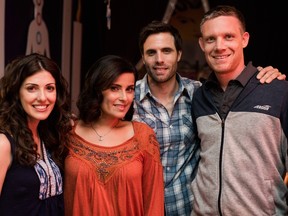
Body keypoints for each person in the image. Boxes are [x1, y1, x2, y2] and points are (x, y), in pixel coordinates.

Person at [133, 20, 286, 215]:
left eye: (167, 51)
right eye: (151, 52)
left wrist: (267, 76)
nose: (159, 59)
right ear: (143, 57)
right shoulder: (128, 98)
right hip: (142, 207)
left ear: (179, 54)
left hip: (187, 208)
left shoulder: (198, 93)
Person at [191, 5, 288, 215]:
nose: (219, 46)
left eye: (228, 36)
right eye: (210, 39)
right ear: (201, 44)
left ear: (244, 39)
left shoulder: (278, 91)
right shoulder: (198, 97)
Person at [64, 55, 164, 216]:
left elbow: (154, 204)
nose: (124, 98)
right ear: (97, 90)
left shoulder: (143, 136)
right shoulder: (69, 133)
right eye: (114, 88)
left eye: (129, 89)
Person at [0, 53, 72, 215]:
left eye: (50, 88)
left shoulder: (51, 136)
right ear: (16, 92)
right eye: (31, 88)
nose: (43, 97)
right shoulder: (3, 143)